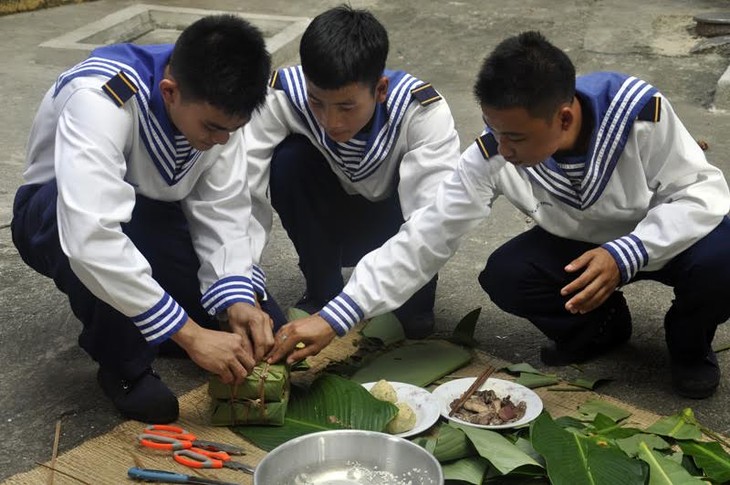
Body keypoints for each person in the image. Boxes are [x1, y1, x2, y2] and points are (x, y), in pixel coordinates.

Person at [268, 31, 730, 400]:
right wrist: (336, 316)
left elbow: (701, 193)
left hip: (659, 238)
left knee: (722, 258)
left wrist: (627, 252)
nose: (502, 150)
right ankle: (601, 329)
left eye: (516, 138)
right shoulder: (494, 153)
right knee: (507, 275)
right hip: (576, 246)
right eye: (494, 131)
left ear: (564, 119)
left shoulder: (636, 114)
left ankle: (689, 347)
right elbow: (425, 237)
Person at [11, 15, 286, 424]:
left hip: (151, 215)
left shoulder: (220, 105)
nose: (222, 140)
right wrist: (190, 334)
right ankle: (125, 366)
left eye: (233, 130)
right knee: (81, 229)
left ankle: (161, 327)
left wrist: (237, 297)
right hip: (57, 217)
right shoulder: (100, 97)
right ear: (169, 91)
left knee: (260, 326)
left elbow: (223, 206)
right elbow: (91, 236)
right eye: (213, 128)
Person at [245, 5, 461, 341]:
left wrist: (343, 315)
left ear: (380, 89)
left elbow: (432, 226)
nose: (331, 122)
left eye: (347, 106)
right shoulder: (283, 96)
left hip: (396, 223)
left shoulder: (423, 114)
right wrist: (243, 285)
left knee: (412, 330)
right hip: (332, 222)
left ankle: (412, 302)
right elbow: (244, 193)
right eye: (318, 103)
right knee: (288, 161)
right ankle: (323, 287)